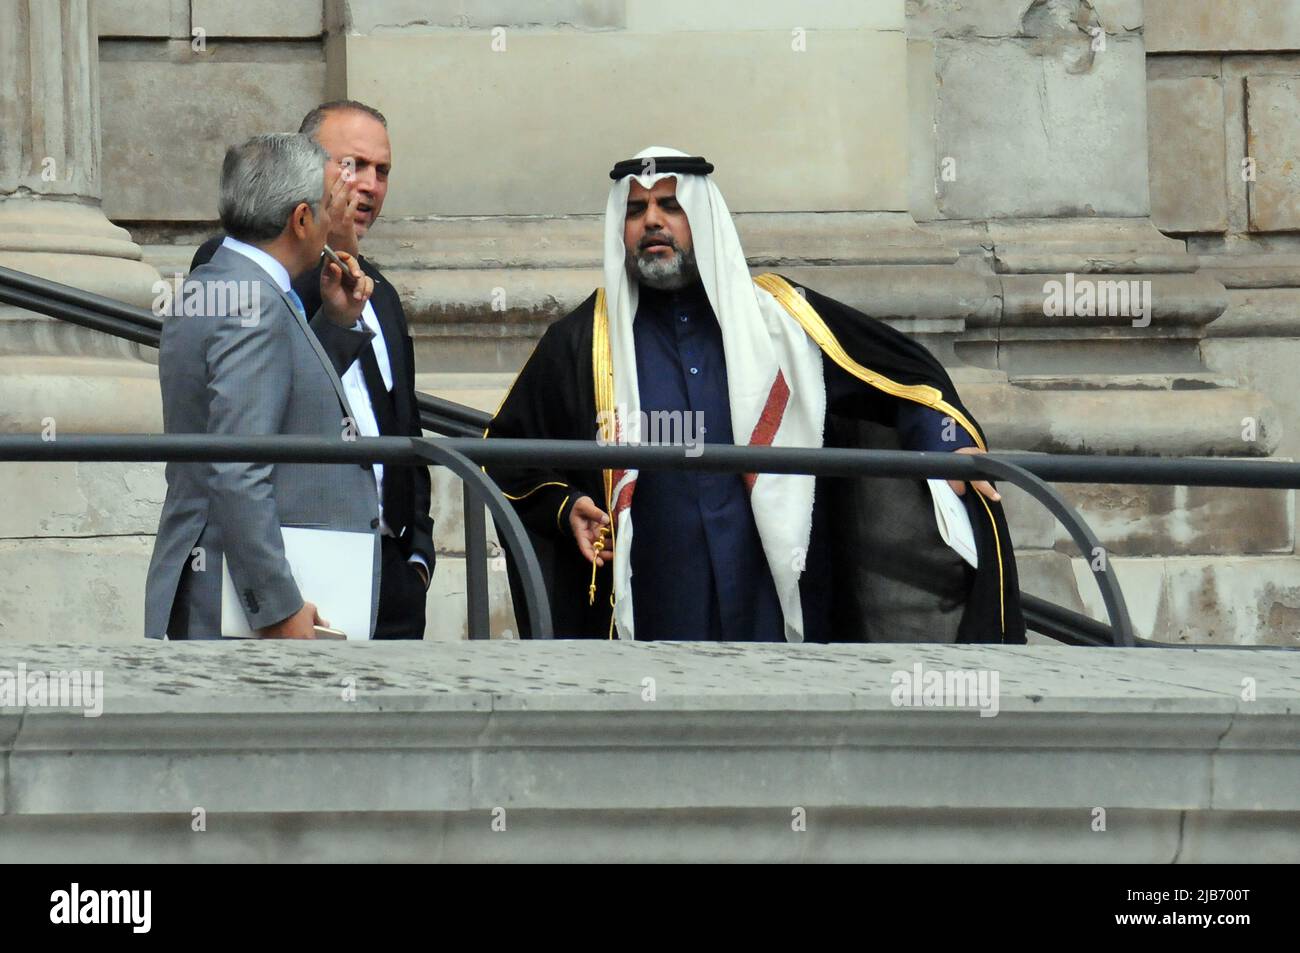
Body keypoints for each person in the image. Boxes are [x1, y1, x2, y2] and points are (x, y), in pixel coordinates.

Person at [485, 147, 1026, 644]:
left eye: (671, 205)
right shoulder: (584, 340)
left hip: (770, 592)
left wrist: (946, 444)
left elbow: (899, 380)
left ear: (704, 218)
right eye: (636, 210)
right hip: (653, 603)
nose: (653, 220)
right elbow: (507, 453)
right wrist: (567, 506)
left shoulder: (780, 322)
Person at [192, 100, 434, 640]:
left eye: (383, 170)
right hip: (301, 564)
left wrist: (418, 552)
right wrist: (326, 244)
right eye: (352, 167)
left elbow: (401, 424)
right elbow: (247, 432)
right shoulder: (244, 265)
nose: (368, 185)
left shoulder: (384, 295)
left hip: (388, 569)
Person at [145, 133, 378, 639]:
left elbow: (277, 400)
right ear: (300, 220)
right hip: (246, 602)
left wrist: (334, 329)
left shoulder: (212, 284)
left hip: (222, 581)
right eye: (327, 205)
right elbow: (238, 465)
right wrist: (278, 606)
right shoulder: (254, 305)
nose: (336, 216)